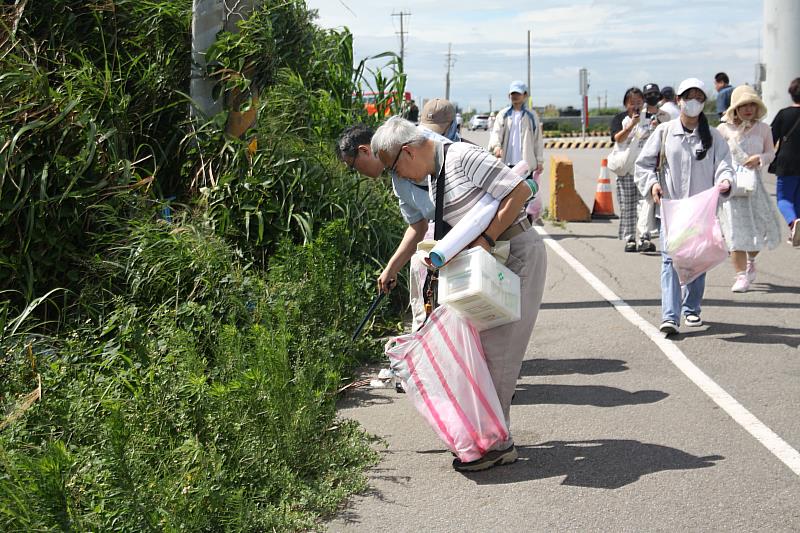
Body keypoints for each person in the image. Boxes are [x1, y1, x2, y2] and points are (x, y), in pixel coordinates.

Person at [371, 116, 547, 472]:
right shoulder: (437, 176)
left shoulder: (463, 156)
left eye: (394, 169)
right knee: (477, 352)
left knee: (499, 351)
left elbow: (520, 191)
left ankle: (497, 444)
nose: (398, 179)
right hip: (486, 262)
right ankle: (485, 436)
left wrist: (485, 240)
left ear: (407, 152)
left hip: (515, 255)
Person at [335, 100, 461, 333]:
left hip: (469, 235)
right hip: (446, 239)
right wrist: (390, 269)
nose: (356, 173)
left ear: (364, 150)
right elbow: (417, 226)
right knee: (420, 271)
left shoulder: (433, 150)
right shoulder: (398, 181)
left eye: (353, 166)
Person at [634, 77, 735, 336]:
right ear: (678, 101)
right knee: (670, 259)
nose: (693, 103)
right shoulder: (664, 132)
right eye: (689, 98)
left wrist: (725, 181)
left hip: (701, 210)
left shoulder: (712, 136)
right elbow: (644, 164)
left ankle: (691, 308)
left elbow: (724, 165)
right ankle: (670, 315)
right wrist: (653, 184)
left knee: (696, 260)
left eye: (699, 99)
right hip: (672, 209)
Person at [717, 85, 784, 292]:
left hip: (754, 186)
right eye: (743, 105)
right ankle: (740, 276)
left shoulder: (764, 129)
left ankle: (750, 262)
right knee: (733, 232)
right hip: (731, 186)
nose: (748, 109)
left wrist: (760, 158)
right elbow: (716, 156)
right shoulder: (723, 129)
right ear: (735, 108)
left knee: (757, 229)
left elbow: (771, 153)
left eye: (751, 105)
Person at [610, 86, 669, 252]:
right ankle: (630, 238)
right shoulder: (621, 119)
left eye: (638, 102)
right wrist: (631, 126)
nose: (635, 105)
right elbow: (618, 139)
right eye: (632, 103)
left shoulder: (650, 118)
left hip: (644, 170)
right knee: (627, 205)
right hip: (627, 168)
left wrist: (655, 126)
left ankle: (645, 237)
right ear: (625, 104)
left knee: (646, 204)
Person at [488, 80, 544, 220]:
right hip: (507, 163)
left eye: (518, 94)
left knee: (525, 194)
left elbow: (538, 139)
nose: (515, 97)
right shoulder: (503, 114)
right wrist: (496, 146)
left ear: (525, 95)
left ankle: (523, 221)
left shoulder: (531, 116)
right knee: (507, 195)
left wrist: (539, 160)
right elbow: (496, 133)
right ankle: (510, 221)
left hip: (526, 163)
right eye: (513, 94)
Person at [770, 77, 800, 246]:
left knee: (784, 199)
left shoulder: (784, 114)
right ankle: (796, 232)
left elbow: (772, 139)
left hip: (787, 161)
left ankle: (792, 223)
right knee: (798, 198)